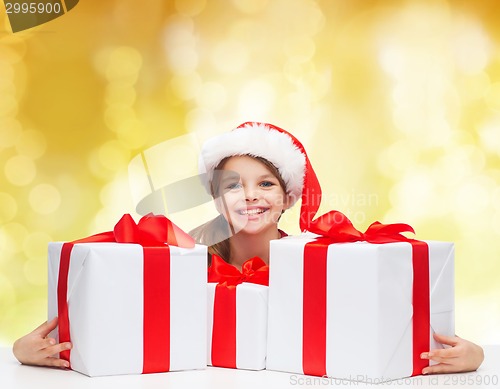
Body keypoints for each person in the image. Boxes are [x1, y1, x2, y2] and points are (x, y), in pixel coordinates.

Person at [13, 122, 483, 374]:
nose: (249, 195)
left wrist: (472, 358)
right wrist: (23, 350)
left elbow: (388, 320)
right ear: (217, 198)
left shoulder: (322, 263)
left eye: (265, 184)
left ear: (288, 198)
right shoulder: (182, 258)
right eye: (232, 185)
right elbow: (106, 312)